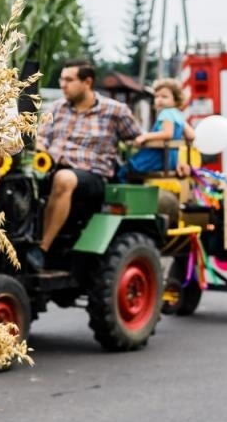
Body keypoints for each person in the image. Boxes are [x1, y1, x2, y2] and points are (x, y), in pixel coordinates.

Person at [27, 59, 142, 267]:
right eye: (62, 79)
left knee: (64, 178)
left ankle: (41, 248)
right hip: (51, 169)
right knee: (17, 181)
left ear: (87, 81)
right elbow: (42, 139)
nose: (63, 84)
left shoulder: (115, 111)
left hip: (92, 176)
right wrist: (41, 149)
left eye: (69, 80)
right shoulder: (56, 107)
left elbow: (137, 139)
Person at [121, 78, 196, 181]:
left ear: (176, 100)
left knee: (124, 171)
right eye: (157, 96)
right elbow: (191, 135)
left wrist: (145, 136)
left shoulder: (166, 113)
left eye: (164, 97)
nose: (159, 99)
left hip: (157, 158)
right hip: (171, 160)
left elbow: (168, 134)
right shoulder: (178, 115)